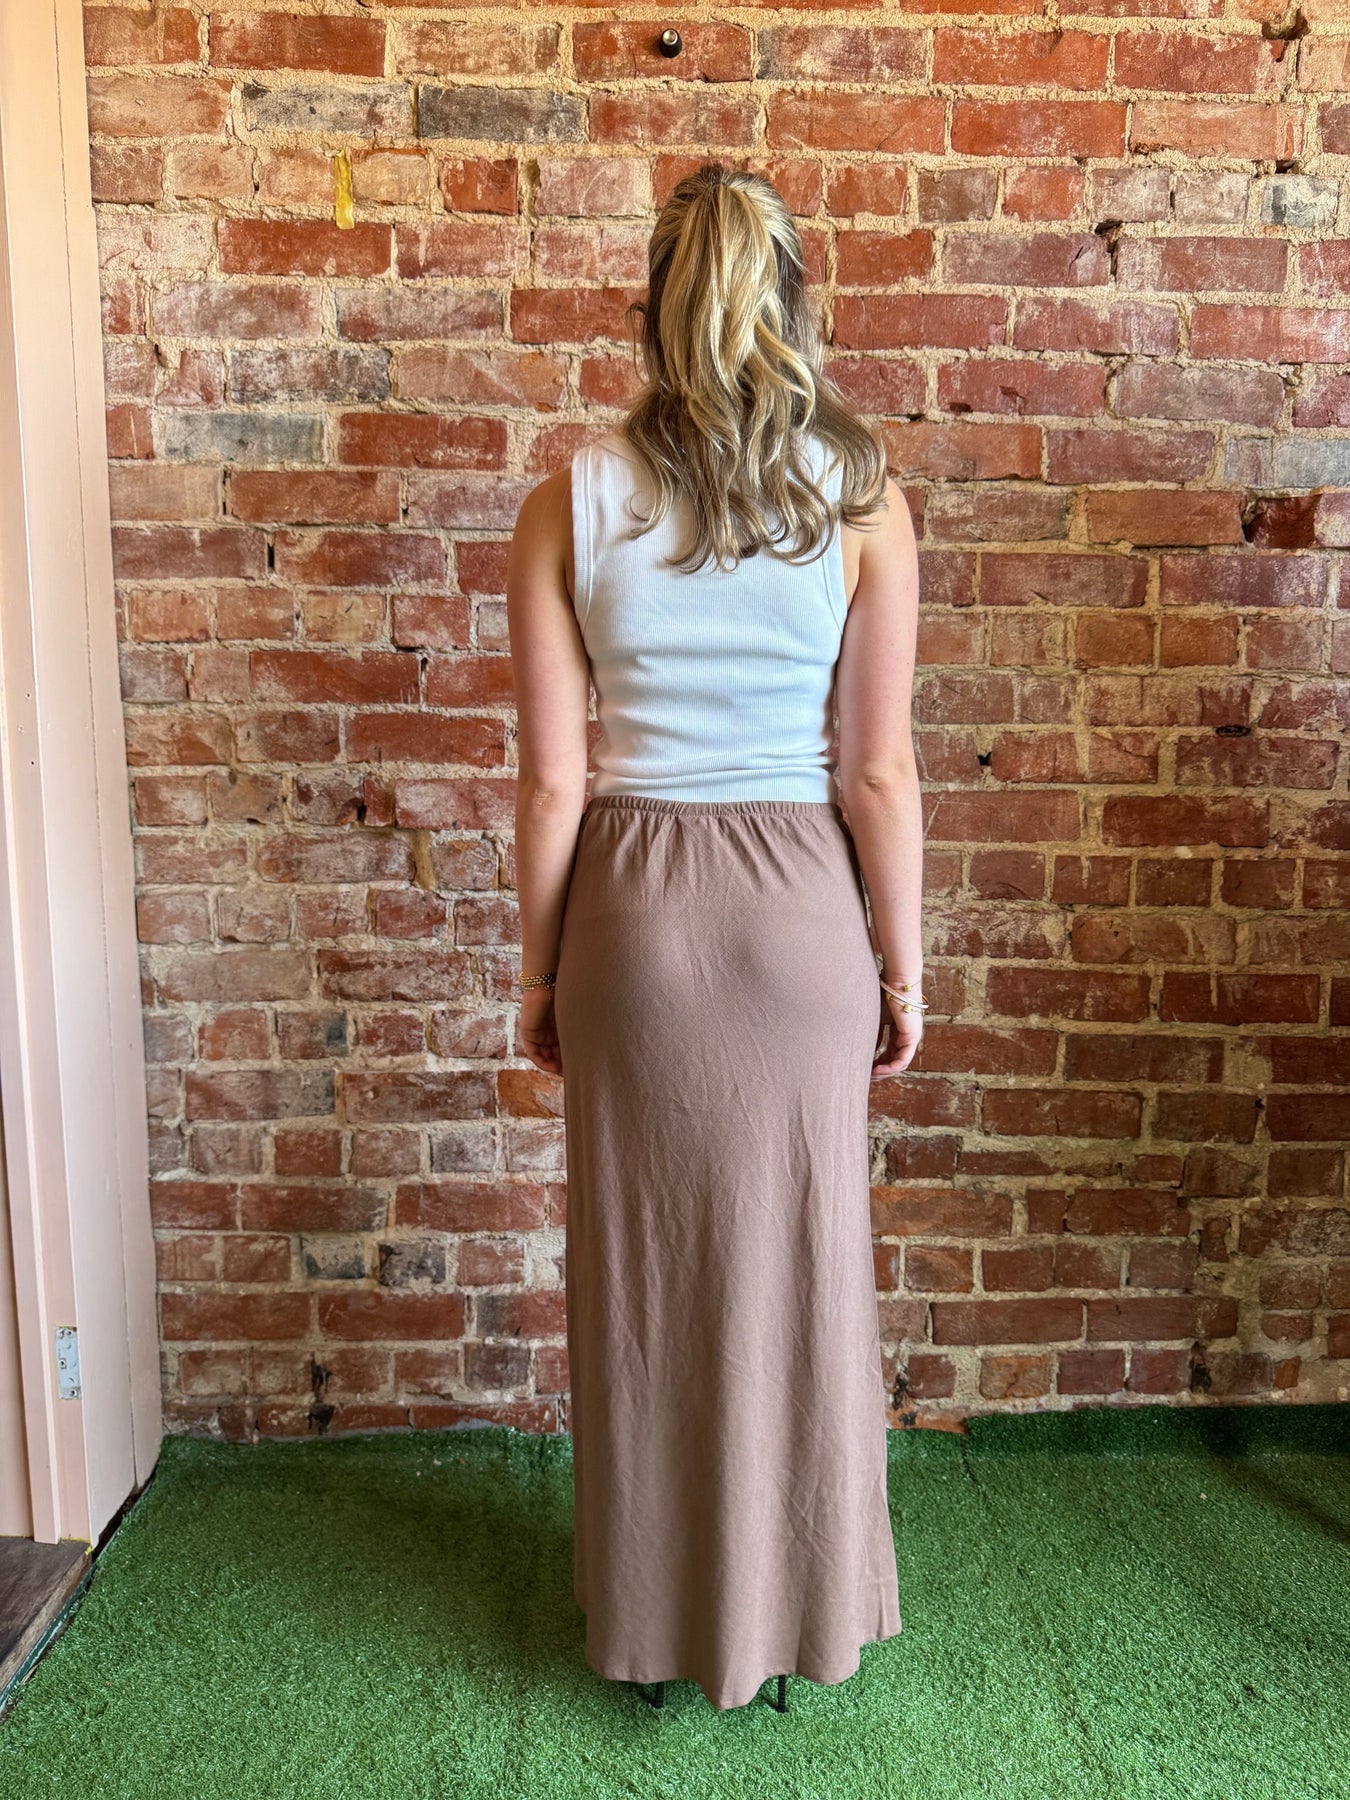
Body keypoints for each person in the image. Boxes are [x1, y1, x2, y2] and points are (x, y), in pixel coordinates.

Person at [505, 161, 923, 1714]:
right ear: (794, 304)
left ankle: (652, 1625)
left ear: (651, 307)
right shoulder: (860, 501)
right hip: (801, 915)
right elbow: (877, 773)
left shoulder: (568, 501)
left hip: (632, 918)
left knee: (644, 1280)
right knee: (803, 1272)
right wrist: (901, 967)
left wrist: (539, 972)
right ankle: (796, 1622)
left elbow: (553, 781)